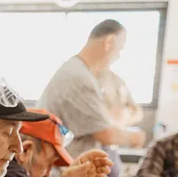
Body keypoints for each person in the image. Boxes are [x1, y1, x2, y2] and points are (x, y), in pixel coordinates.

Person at [37, 19, 146, 161]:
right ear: (109, 42)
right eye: (120, 50)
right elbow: (106, 134)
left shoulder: (80, 72)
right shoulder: (78, 78)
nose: (118, 56)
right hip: (63, 170)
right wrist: (136, 137)